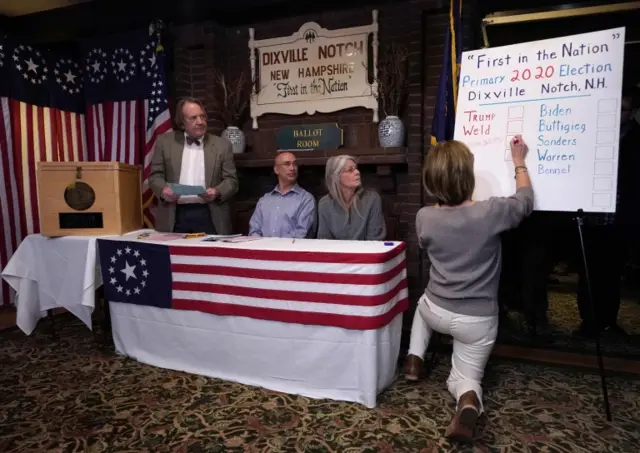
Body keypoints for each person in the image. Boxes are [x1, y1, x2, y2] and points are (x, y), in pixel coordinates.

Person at [405, 136, 534, 443]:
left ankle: (413, 359)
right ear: (467, 175)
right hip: (476, 321)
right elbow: (526, 201)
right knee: (464, 378)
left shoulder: (425, 217)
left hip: (436, 310)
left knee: (422, 307)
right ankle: (467, 401)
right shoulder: (491, 212)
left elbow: (425, 246)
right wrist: (518, 160)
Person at [574, 92, 639, 337]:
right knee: (587, 272)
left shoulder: (635, 138)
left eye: (623, 110)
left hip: (619, 218)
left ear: (632, 113)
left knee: (611, 273)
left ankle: (608, 321)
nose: (617, 114)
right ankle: (588, 321)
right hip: (591, 218)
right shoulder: (595, 131)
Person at [149, 97, 239, 235]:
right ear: (182, 122)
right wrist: (163, 191)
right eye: (193, 118)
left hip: (210, 213)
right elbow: (155, 176)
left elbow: (231, 181)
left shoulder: (222, 145)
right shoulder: (164, 143)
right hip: (174, 214)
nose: (200, 122)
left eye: (203, 116)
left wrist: (217, 192)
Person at [316, 155, 386, 241]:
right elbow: (324, 241)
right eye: (350, 170)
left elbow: (374, 240)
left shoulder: (372, 199)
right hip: (338, 253)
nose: (357, 172)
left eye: (356, 168)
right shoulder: (324, 204)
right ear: (336, 177)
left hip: (366, 252)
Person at [249, 152, 316, 238]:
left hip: (290, 250)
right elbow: (254, 231)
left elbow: (301, 234)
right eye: (287, 164)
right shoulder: (264, 200)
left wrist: (274, 247)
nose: (292, 168)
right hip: (263, 249)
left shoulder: (306, 199)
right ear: (276, 169)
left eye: (295, 164)